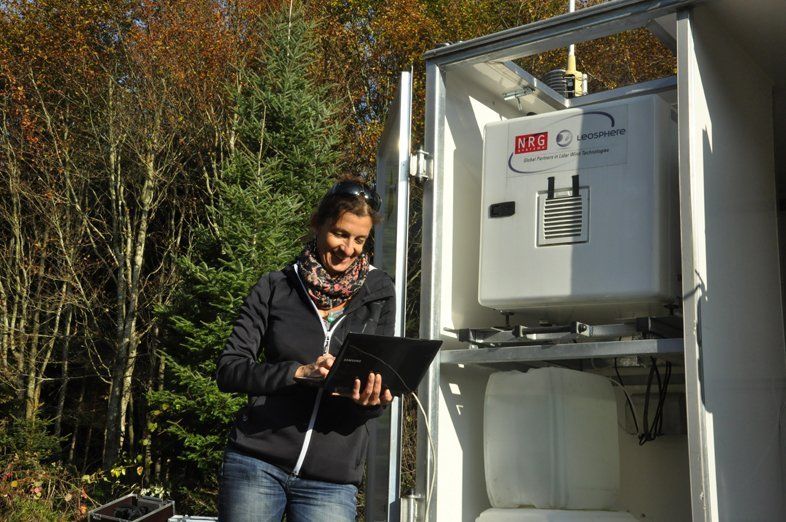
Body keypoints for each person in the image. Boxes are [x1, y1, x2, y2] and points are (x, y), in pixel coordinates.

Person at [215, 179, 395, 522]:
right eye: (340, 234)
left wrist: (372, 401)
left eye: (359, 239)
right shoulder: (276, 286)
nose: (349, 249)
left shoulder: (380, 293)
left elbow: (381, 379)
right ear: (318, 224)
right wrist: (298, 373)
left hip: (332, 480)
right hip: (256, 464)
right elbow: (229, 369)